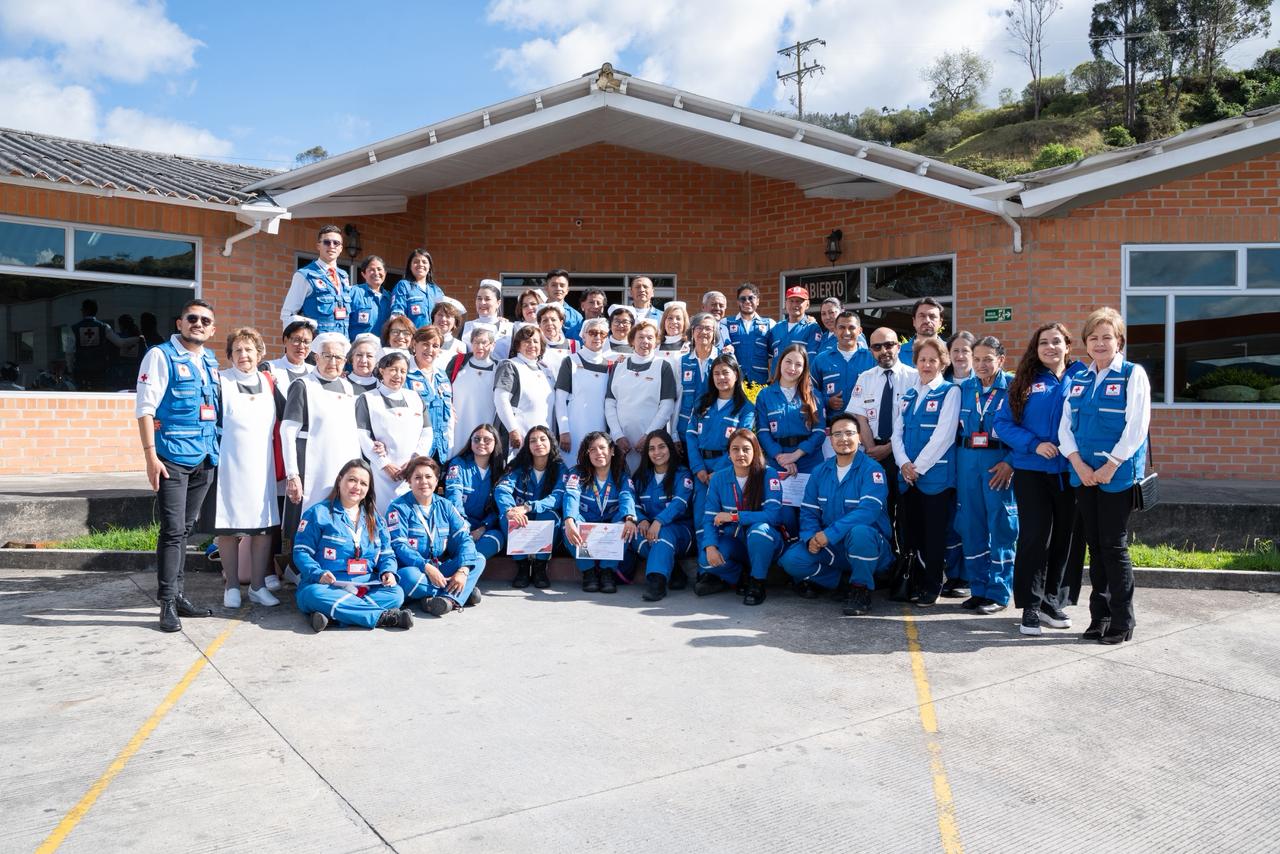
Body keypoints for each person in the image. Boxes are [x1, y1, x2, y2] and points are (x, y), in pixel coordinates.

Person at [1060, 308, 1150, 645]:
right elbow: (1065, 427)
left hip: (1117, 475)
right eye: (1093, 337)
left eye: (1106, 337)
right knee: (1094, 547)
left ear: (1119, 341)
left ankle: (1123, 620)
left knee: (1113, 545)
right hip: (1083, 475)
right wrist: (1079, 465)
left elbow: (1136, 427)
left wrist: (1109, 466)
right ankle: (1100, 616)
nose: (1100, 343)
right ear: (1085, 343)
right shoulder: (1080, 378)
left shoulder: (1132, 374)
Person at [994, 322, 1090, 635]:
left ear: (1068, 345)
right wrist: (1035, 444)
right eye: (1043, 342)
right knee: (1035, 537)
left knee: (1066, 537)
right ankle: (1030, 606)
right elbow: (1003, 424)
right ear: (1036, 349)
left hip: (1071, 472)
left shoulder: (1084, 377)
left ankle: (1053, 601)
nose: (1050, 347)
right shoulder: (1024, 382)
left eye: (1056, 341)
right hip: (1032, 471)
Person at [135, 298, 220, 632]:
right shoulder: (160, 356)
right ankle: (167, 603)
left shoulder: (209, 360)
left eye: (205, 321)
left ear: (212, 330)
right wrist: (150, 457)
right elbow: (145, 408)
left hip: (204, 457)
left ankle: (180, 596)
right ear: (179, 323)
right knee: (172, 532)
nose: (198, 324)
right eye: (192, 318)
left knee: (185, 531)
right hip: (171, 458)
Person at [778, 412, 894, 616]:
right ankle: (841, 582)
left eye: (849, 433)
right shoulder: (819, 472)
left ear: (859, 437)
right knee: (792, 560)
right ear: (830, 440)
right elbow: (809, 512)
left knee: (860, 532)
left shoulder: (872, 470)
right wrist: (810, 537)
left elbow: (868, 511)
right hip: (832, 547)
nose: (843, 439)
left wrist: (828, 534)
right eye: (837, 434)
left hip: (870, 548)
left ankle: (861, 589)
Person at [202, 327, 282, 610]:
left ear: (260, 353)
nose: (243, 355)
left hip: (262, 468)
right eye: (237, 350)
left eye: (249, 349)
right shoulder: (220, 381)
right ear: (229, 356)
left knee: (262, 529)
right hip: (230, 467)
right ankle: (232, 585)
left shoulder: (269, 382)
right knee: (228, 527)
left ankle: (258, 586)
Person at [293, 459, 412, 631]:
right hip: (325, 585)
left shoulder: (376, 519)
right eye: (352, 480)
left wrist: (388, 571)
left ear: (368, 489)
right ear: (340, 480)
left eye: (363, 483)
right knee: (313, 595)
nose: (357, 486)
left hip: (364, 585)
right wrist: (318, 573)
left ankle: (336, 615)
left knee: (396, 594)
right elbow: (301, 552)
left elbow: (387, 554)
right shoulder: (318, 513)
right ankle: (383, 618)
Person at [892, 336, 961, 606]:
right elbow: (897, 434)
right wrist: (903, 465)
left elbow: (943, 437)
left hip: (935, 480)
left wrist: (916, 467)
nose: (927, 364)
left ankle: (932, 586)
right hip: (908, 479)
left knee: (934, 537)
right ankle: (914, 582)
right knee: (912, 534)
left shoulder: (949, 392)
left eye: (933, 359)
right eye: (922, 359)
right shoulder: (908, 395)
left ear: (943, 363)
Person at [953, 336, 1017, 614]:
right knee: (970, 525)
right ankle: (978, 588)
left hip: (998, 463)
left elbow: (1029, 428)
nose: (981, 364)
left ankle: (999, 592)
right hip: (967, 461)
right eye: (976, 358)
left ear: (1001, 360)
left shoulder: (1014, 387)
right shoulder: (964, 388)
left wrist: (1011, 462)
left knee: (1001, 526)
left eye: (987, 359)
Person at [280, 333, 361, 536]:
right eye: (327, 356)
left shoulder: (347, 387)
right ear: (316, 357)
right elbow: (288, 432)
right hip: (311, 469)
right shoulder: (302, 386)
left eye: (338, 358)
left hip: (341, 468)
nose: (333, 362)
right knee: (306, 524)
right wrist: (293, 475)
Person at [846, 327, 918, 555]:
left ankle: (906, 566)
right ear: (871, 351)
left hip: (906, 454)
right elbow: (860, 417)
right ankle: (884, 562)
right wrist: (872, 449)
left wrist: (889, 448)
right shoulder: (864, 378)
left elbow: (913, 421)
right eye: (877, 347)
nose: (884, 351)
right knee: (880, 510)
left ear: (898, 346)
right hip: (873, 454)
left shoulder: (915, 377)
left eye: (889, 345)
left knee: (907, 513)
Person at [695, 428, 786, 605]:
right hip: (735, 542)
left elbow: (774, 516)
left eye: (746, 449)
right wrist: (710, 546)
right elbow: (709, 518)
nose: (740, 454)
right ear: (728, 454)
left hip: (765, 541)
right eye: (735, 449)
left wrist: (735, 517)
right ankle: (740, 576)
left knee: (759, 531)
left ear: (755, 451)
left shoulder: (769, 474)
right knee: (706, 560)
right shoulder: (718, 478)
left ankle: (757, 582)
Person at [388, 455, 486, 616]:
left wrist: (463, 571)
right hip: (415, 569)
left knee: (478, 558)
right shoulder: (398, 508)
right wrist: (426, 567)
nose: (423, 482)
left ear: (436, 480)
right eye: (417, 477)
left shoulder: (445, 505)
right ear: (409, 481)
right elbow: (399, 546)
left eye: (428, 477)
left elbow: (464, 538)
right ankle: (458, 593)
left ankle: (442, 599)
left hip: (440, 567)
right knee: (408, 578)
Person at [685, 355, 756, 544]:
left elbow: (742, 442)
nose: (721, 377)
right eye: (716, 373)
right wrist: (698, 468)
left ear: (736, 375)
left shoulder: (745, 408)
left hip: (727, 469)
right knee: (701, 515)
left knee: (723, 514)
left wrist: (719, 471)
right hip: (702, 470)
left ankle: (723, 564)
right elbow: (691, 436)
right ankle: (704, 567)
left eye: (725, 372)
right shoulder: (702, 403)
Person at [355, 351, 434, 517]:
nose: (398, 375)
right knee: (382, 516)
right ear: (382, 370)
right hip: (381, 473)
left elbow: (427, 433)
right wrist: (384, 464)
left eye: (403, 371)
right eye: (393, 369)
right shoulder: (367, 399)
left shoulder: (415, 398)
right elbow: (362, 435)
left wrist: (414, 460)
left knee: (409, 517)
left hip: (411, 472)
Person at [563, 432, 638, 593]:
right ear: (587, 453)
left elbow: (627, 496)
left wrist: (630, 518)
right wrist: (569, 520)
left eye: (602, 448)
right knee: (568, 526)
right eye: (592, 449)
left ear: (611, 450)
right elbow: (571, 496)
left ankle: (607, 572)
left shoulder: (622, 475)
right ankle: (588, 572)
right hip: (586, 524)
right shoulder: (577, 474)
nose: (598, 453)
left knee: (626, 523)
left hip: (609, 525)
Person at [495, 425, 567, 589]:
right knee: (508, 516)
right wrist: (510, 509)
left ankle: (540, 567)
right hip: (522, 519)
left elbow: (557, 498)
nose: (538, 443)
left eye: (543, 439)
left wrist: (528, 507)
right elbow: (502, 489)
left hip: (540, 518)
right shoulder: (518, 466)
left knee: (549, 516)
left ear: (551, 443)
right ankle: (522, 566)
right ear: (527, 445)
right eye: (533, 440)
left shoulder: (560, 468)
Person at [628, 429, 695, 601]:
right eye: (651, 448)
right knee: (632, 533)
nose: (657, 452)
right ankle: (674, 570)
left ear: (670, 448)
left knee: (663, 535)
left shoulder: (682, 474)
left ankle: (656, 583)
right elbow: (631, 502)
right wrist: (641, 519)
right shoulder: (642, 476)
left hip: (680, 531)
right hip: (649, 528)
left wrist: (659, 521)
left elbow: (679, 503)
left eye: (661, 447)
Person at [604, 320, 677, 470]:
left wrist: (648, 436)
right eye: (641, 337)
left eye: (650, 338)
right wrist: (617, 435)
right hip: (622, 440)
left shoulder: (663, 366)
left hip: (651, 442)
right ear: (632, 340)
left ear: (656, 341)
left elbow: (667, 405)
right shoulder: (619, 365)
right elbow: (610, 403)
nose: (645, 341)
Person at [939, 330, 977, 598]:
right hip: (945, 459)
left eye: (966, 350)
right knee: (950, 519)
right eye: (956, 351)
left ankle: (972, 575)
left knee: (973, 518)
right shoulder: (941, 385)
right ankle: (954, 574)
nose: (961, 356)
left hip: (975, 459)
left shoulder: (986, 383)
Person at [445, 424, 506, 561]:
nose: (481, 443)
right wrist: (463, 526)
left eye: (487, 440)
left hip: (482, 529)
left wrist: (483, 528)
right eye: (476, 439)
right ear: (470, 442)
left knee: (497, 538)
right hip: (458, 526)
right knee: (462, 543)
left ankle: (461, 566)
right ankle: (464, 567)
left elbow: (498, 507)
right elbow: (453, 496)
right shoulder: (459, 464)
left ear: (495, 443)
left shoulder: (499, 471)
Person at [555, 317, 612, 462]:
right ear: (583, 335)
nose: (597, 337)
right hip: (574, 430)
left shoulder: (610, 366)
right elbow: (560, 399)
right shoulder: (571, 361)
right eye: (592, 332)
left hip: (600, 428)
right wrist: (564, 431)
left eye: (602, 334)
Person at [280, 226, 356, 334]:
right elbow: (288, 314)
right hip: (317, 346)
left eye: (336, 243)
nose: (332, 246)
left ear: (341, 248)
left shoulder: (344, 276)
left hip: (342, 345)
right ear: (318, 246)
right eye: (327, 242)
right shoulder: (304, 275)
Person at [494, 325, 557, 454]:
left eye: (535, 341)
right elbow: (501, 399)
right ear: (518, 345)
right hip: (519, 437)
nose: (531, 345)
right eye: (527, 341)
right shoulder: (510, 365)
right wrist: (513, 430)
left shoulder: (546, 370)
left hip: (543, 439)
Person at [445, 324, 499, 459]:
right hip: (458, 425)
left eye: (484, 343)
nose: (479, 347)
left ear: (493, 345)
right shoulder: (458, 362)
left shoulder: (500, 368)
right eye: (476, 342)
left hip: (486, 425)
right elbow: (443, 386)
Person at [406, 326, 454, 464]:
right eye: (425, 344)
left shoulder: (442, 375)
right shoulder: (404, 373)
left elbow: (449, 415)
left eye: (435, 345)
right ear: (415, 344)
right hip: (414, 449)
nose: (430, 350)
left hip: (440, 449)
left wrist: (450, 448)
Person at [813, 310, 874, 419]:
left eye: (851, 328)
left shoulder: (872, 358)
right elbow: (809, 391)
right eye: (841, 327)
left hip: (866, 425)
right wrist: (827, 401)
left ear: (860, 331)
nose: (846, 332)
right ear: (835, 331)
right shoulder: (821, 360)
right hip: (832, 426)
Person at [73, 298, 142, 391]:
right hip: (99, 370)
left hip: (81, 370)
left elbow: (69, 352)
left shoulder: (74, 328)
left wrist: (71, 369)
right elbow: (121, 343)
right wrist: (138, 338)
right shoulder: (104, 327)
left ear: (85, 310)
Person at [673, 313, 721, 443]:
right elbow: (676, 400)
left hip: (715, 430)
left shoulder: (724, 359)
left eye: (708, 328)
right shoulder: (681, 362)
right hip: (685, 431)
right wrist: (674, 434)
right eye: (699, 328)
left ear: (715, 333)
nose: (703, 332)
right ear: (692, 332)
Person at [721, 283, 774, 384]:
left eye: (751, 298)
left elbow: (774, 355)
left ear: (757, 301)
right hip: (735, 381)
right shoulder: (725, 323)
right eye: (743, 299)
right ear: (738, 302)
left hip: (760, 381)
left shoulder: (769, 324)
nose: (747, 301)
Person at [766, 286, 825, 375]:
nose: (794, 305)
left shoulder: (812, 328)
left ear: (807, 304)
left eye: (799, 301)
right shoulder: (776, 328)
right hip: (776, 384)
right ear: (785, 303)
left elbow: (812, 360)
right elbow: (769, 357)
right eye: (791, 301)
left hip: (799, 383)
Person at [389, 248, 444, 328]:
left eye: (424, 262)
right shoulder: (403, 286)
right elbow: (397, 314)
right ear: (410, 266)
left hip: (433, 338)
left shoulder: (437, 291)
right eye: (416, 262)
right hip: (412, 338)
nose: (420, 264)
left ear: (429, 267)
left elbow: (443, 315)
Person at [462, 280, 514, 359]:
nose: (482, 302)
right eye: (479, 298)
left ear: (498, 303)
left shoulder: (509, 328)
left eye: (487, 299)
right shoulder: (467, 327)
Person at [265, 317, 315, 397]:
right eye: (297, 340)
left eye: (306, 342)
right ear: (285, 340)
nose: (301, 346)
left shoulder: (315, 372)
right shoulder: (269, 368)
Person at [349, 255, 393, 340]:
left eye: (379, 269)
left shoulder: (390, 298)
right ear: (363, 274)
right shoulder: (353, 293)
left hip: (382, 350)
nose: (376, 273)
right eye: (371, 270)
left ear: (385, 273)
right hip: (358, 349)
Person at [899, 297, 944, 368]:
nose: (927, 320)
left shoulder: (951, 352)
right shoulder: (898, 354)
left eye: (932, 316)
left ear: (940, 322)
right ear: (914, 321)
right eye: (922, 316)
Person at [536, 302, 577, 374]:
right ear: (539, 325)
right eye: (545, 320)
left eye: (553, 319)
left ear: (561, 323)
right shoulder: (536, 346)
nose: (549, 323)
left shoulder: (574, 345)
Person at [545, 268, 584, 340]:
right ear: (546, 288)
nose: (558, 288)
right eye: (554, 285)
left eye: (562, 285)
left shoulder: (576, 316)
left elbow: (580, 343)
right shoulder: (537, 311)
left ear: (567, 290)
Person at [431, 297, 468, 370]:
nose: (443, 319)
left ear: (455, 322)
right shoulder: (422, 340)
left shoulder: (461, 346)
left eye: (448, 316)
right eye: (440, 315)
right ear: (433, 317)